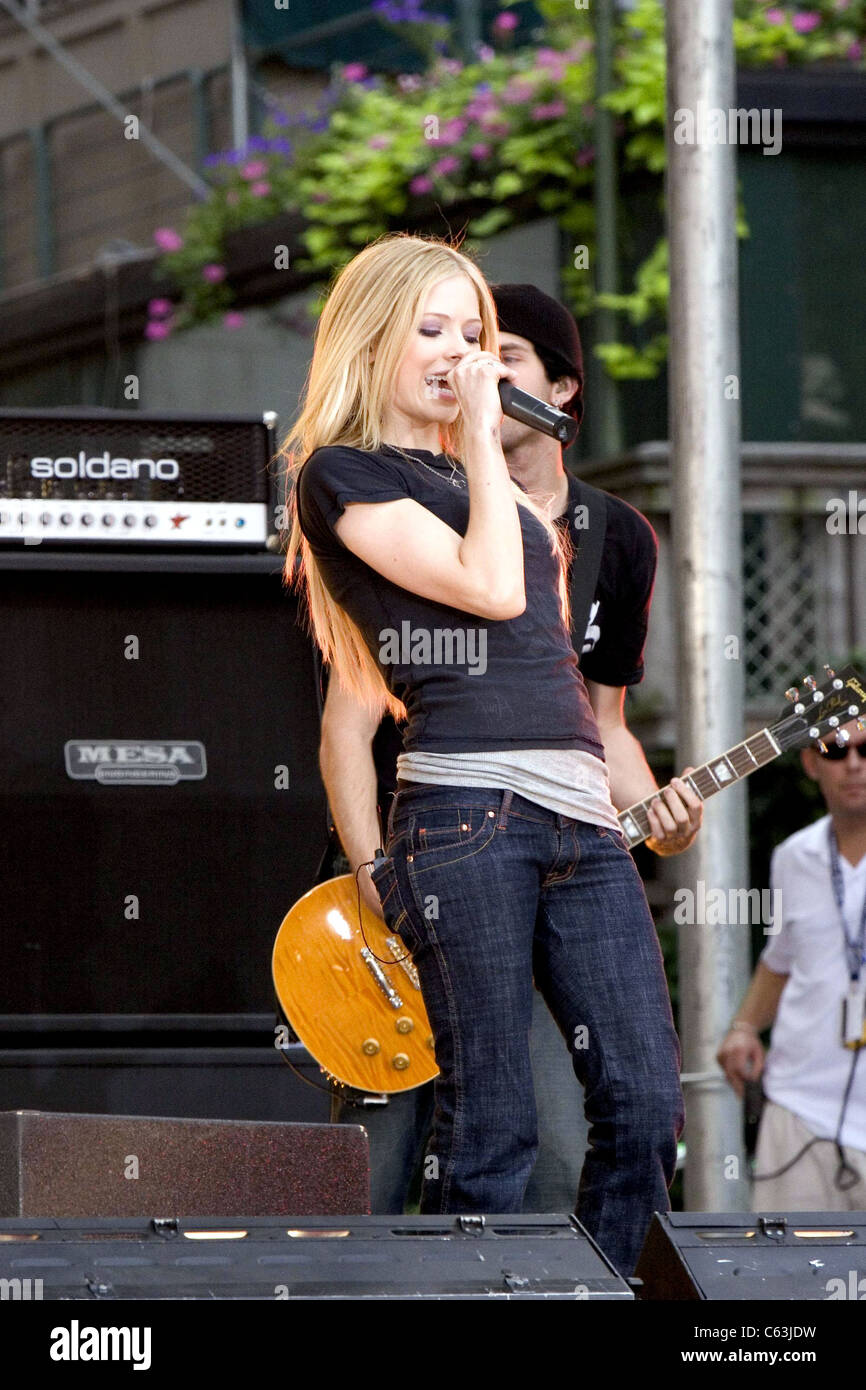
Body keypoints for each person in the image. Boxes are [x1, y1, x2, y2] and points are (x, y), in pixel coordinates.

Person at [287, 233, 699, 1276]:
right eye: (430, 331)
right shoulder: (345, 475)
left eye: (471, 335)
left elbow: (554, 670)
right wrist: (479, 436)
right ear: (371, 337)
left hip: (576, 816)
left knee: (646, 1105)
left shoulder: (490, 486)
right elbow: (491, 592)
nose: (458, 353)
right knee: (491, 1125)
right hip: (466, 815)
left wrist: (636, 793)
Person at [717, 717, 866, 1209]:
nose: (853, 764)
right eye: (835, 750)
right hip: (799, 1110)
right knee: (788, 1280)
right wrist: (743, 1028)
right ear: (810, 762)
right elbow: (780, 961)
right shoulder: (792, 857)